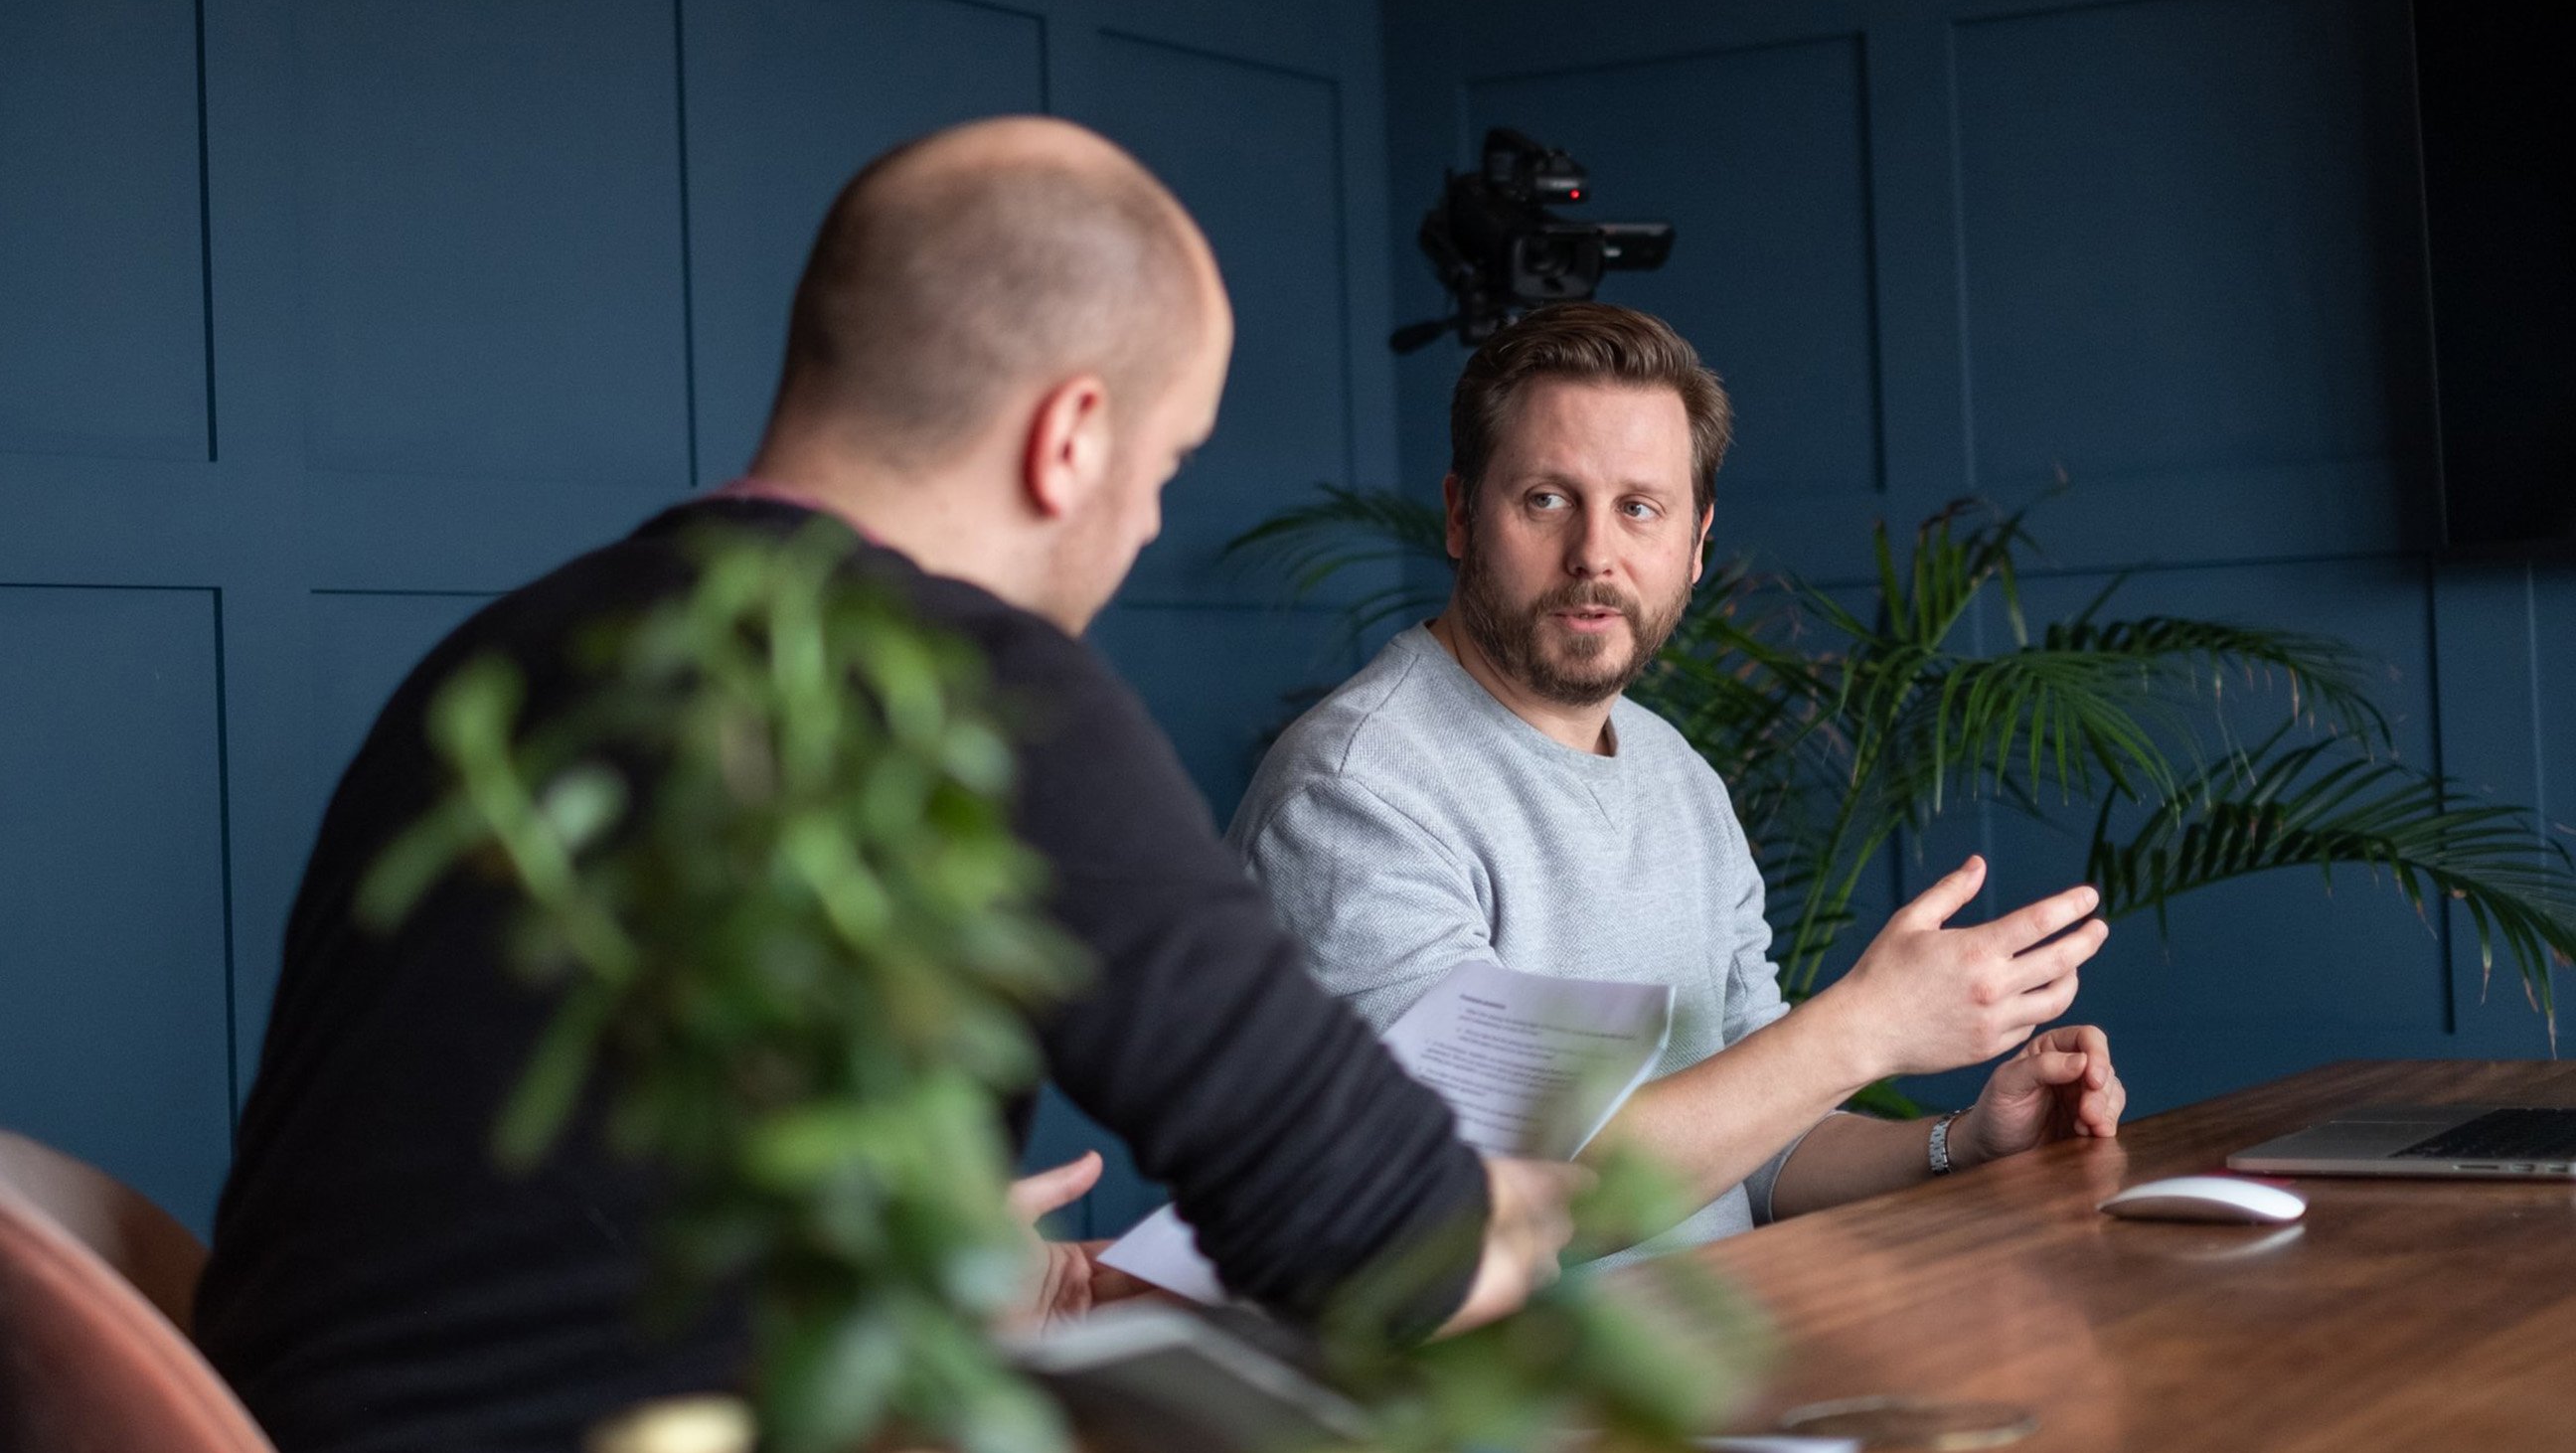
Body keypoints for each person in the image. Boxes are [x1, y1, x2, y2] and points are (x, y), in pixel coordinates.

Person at [195, 118, 1582, 1453]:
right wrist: (1540, 1205)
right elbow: (1386, 1247)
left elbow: (504, 1209)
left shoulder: (497, 658)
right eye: (1164, 465)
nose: (1150, 518)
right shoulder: (974, 687)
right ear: (1071, 437)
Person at [1232, 302, 2125, 1256]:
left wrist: (1963, 1144)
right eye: (1545, 499)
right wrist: (1868, 1029)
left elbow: (1765, 1149)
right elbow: (1506, 1210)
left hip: (1714, 1367)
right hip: (1477, 1402)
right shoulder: (1355, 794)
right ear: (1460, 516)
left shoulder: (1678, 775)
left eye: (1638, 508)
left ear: (1695, 545)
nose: (1594, 555)